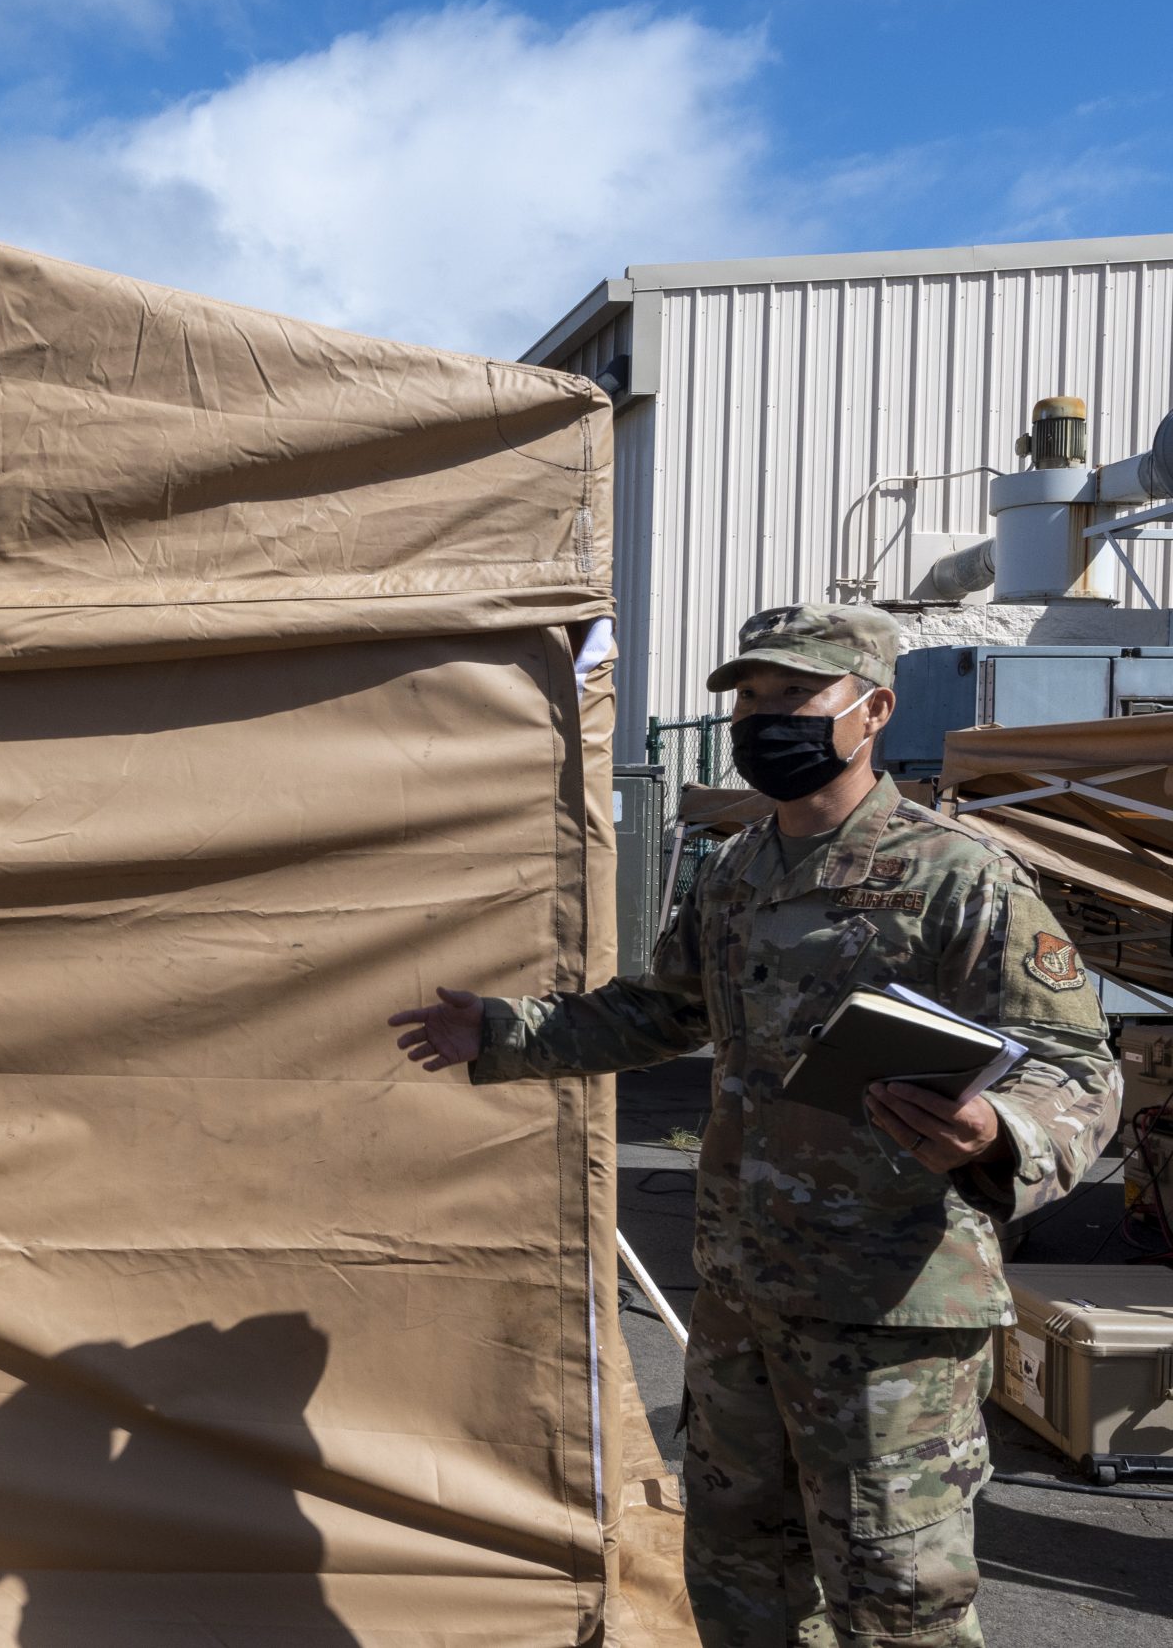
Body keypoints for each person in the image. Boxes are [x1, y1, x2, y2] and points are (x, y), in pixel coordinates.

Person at [389, 603, 1120, 1648]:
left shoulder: (955, 874)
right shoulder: (737, 874)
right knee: (740, 1581)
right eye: (751, 699)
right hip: (742, 1295)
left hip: (889, 1312)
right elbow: (661, 1012)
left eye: (794, 696)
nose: (763, 719)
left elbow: (1075, 1064)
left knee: (896, 1602)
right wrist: (503, 1033)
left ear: (870, 711)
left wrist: (999, 1129)